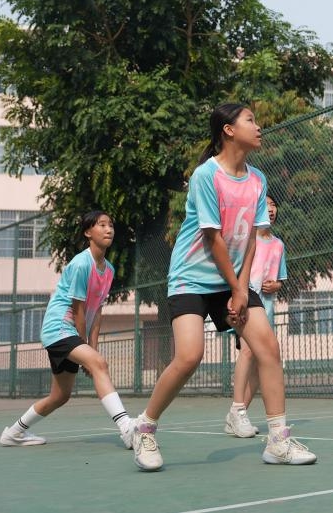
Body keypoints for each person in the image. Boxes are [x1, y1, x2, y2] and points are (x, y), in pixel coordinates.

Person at [131, 103, 316, 471]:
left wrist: (242, 287)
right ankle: (145, 427)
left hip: (233, 280)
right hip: (191, 278)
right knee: (189, 356)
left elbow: (251, 239)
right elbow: (212, 238)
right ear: (228, 130)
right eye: (251, 120)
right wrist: (237, 287)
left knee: (268, 349)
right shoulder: (206, 175)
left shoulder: (258, 179)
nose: (259, 126)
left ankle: (278, 441)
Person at [0, 211, 134, 449]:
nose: (108, 229)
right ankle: (126, 428)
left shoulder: (109, 270)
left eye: (111, 225)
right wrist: (89, 355)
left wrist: (92, 349)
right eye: (101, 225)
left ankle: (14, 433)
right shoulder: (82, 264)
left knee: (60, 396)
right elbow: (79, 310)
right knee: (99, 363)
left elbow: (97, 311)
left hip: (71, 332)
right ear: (87, 232)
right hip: (60, 327)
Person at [224, 192, 288, 438]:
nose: (271, 209)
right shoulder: (245, 240)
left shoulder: (278, 244)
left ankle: (237, 414)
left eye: (274, 205)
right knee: (249, 352)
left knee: (261, 361)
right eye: (266, 205)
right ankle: (238, 411)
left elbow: (279, 279)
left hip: (266, 309)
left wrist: (276, 286)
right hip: (244, 304)